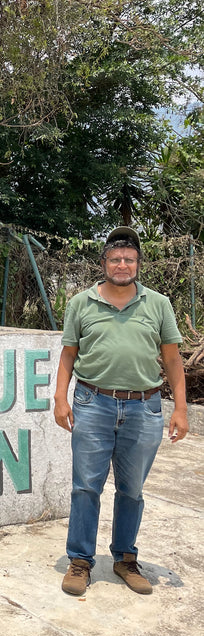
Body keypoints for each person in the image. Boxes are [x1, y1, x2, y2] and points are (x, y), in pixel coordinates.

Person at [54, 226, 188, 596]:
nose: (122, 264)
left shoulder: (158, 304)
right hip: (92, 403)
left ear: (138, 264)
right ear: (104, 263)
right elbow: (69, 354)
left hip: (144, 408)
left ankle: (126, 559)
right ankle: (80, 562)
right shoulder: (81, 303)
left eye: (129, 259)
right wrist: (60, 398)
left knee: (132, 490)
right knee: (86, 487)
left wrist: (181, 408)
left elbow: (173, 360)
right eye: (115, 258)